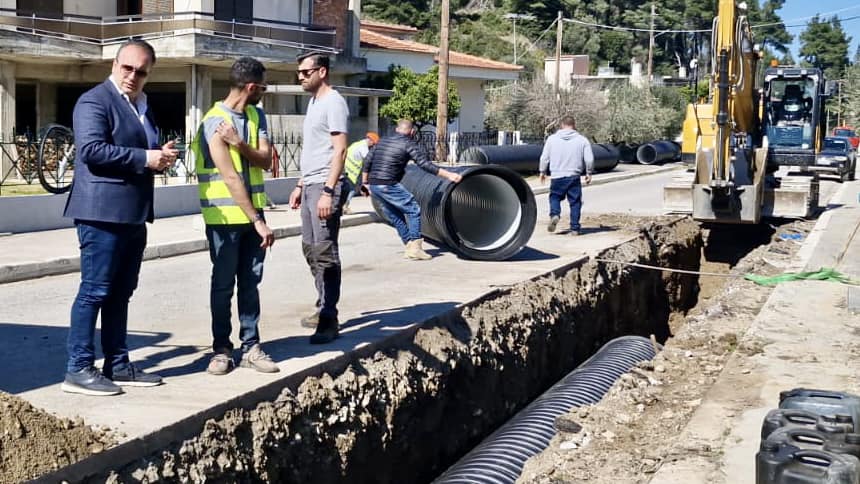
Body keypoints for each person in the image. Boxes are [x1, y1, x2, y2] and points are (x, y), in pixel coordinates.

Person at [62, 40, 178, 396]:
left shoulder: (143, 105)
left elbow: (141, 151)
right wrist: (146, 157)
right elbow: (93, 150)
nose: (133, 76)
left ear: (149, 74)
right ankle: (78, 368)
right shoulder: (95, 101)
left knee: (120, 293)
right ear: (115, 64)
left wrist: (161, 156)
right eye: (127, 68)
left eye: (141, 71)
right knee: (95, 290)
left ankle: (118, 363)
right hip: (101, 213)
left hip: (133, 215)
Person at [190, 57, 278, 376]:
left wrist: (239, 143)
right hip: (225, 221)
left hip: (253, 216)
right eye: (263, 87)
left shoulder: (256, 115)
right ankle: (221, 349)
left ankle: (250, 345)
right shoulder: (213, 121)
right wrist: (257, 219)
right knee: (223, 286)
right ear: (251, 87)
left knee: (250, 284)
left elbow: (266, 161)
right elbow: (229, 178)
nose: (263, 93)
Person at [289, 52, 349, 344]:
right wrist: (301, 185)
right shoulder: (313, 103)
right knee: (309, 248)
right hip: (311, 184)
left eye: (305, 72)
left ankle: (329, 316)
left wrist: (328, 190)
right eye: (299, 72)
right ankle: (322, 302)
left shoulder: (334, 102)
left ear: (321, 72)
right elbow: (315, 149)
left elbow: (339, 150)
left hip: (325, 186)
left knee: (324, 251)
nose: (300, 76)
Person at [362, 119, 462, 260]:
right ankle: (415, 247)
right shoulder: (409, 144)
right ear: (412, 132)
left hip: (374, 185)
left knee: (395, 215)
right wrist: (449, 175)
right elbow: (424, 164)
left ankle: (409, 245)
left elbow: (367, 161)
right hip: (388, 184)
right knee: (413, 209)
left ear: (397, 129)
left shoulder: (382, 141)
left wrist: (364, 184)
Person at [539, 115, 593, 236]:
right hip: (574, 175)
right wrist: (589, 173)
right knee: (575, 202)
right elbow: (589, 159)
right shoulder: (582, 140)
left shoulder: (552, 139)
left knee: (555, 197)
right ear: (574, 125)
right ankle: (574, 228)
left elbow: (544, 157)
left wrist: (542, 172)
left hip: (557, 175)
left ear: (562, 125)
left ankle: (555, 214)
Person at [342, 131, 379, 214]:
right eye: (373, 143)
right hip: (350, 171)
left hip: (347, 170)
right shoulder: (363, 147)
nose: (373, 145)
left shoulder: (357, 144)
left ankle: (343, 205)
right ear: (370, 140)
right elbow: (368, 161)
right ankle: (345, 206)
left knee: (349, 189)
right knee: (351, 190)